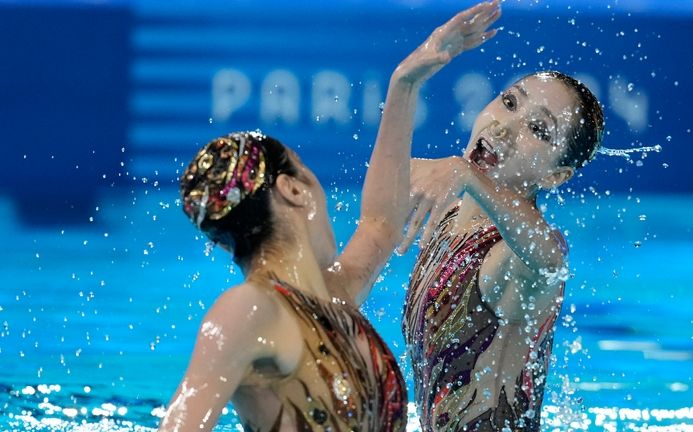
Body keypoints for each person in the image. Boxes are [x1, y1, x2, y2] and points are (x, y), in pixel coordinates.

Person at [158, 2, 502, 431]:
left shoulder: (330, 298)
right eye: (307, 171)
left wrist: (405, 83)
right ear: (293, 189)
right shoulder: (249, 309)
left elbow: (380, 225)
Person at [398, 70, 604, 431]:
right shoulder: (448, 218)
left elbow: (549, 259)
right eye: (509, 103)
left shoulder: (514, 259)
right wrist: (404, 82)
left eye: (538, 129)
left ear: (555, 177)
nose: (504, 128)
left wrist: (466, 175)